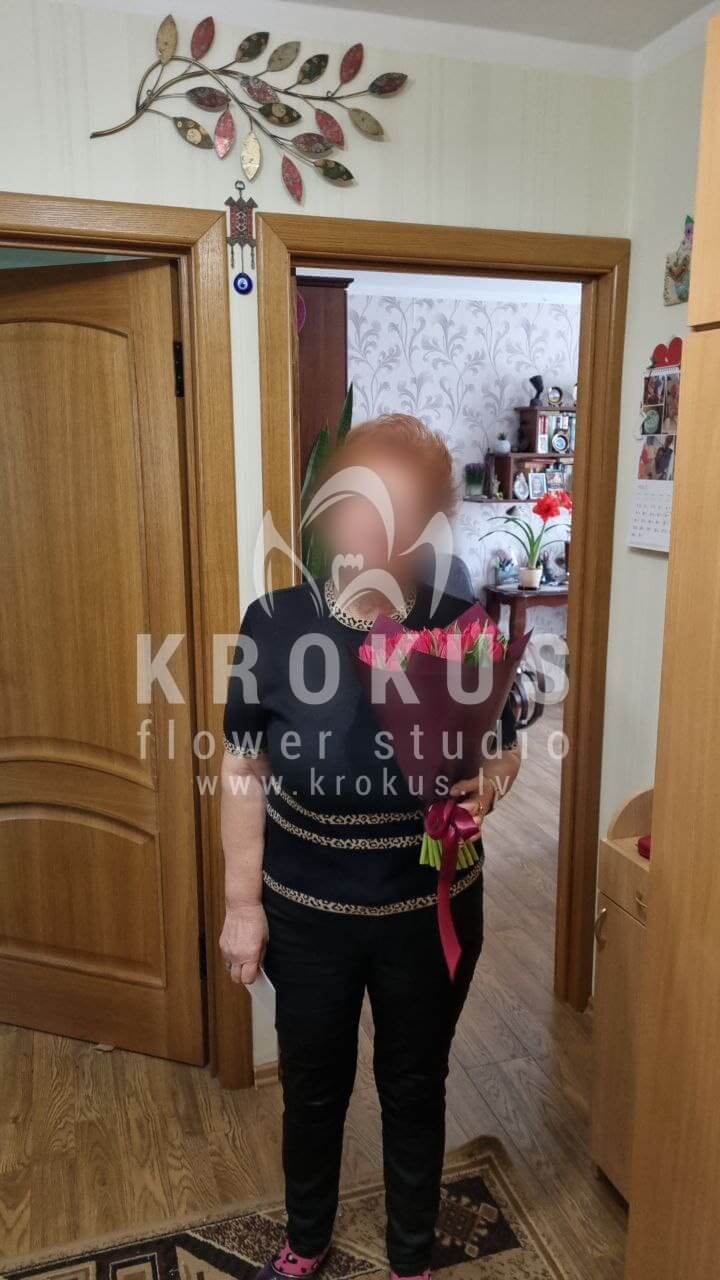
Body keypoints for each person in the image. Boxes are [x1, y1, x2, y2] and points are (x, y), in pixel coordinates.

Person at [220, 415, 522, 1280]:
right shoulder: (274, 624)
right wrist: (242, 905)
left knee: (415, 1083)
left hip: (428, 909)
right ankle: (307, 1238)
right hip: (307, 911)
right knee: (314, 1086)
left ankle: (411, 1257)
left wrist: (492, 781)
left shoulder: (464, 623)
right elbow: (241, 768)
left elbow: (504, 744)